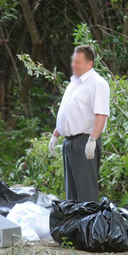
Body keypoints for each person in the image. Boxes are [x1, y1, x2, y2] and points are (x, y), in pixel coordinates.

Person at [48, 45, 110, 202]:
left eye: (78, 62)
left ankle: (90, 225)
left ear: (89, 64)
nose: (73, 65)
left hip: (85, 140)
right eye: (73, 61)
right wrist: (56, 134)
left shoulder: (97, 83)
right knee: (72, 193)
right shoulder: (74, 83)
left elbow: (101, 115)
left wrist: (92, 139)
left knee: (86, 191)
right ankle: (76, 226)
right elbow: (69, 112)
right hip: (69, 142)